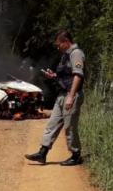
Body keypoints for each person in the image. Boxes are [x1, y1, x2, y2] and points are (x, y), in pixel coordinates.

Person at [25, 30, 85, 166]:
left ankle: (76, 156)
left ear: (66, 42)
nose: (57, 47)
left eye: (59, 45)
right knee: (52, 124)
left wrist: (71, 96)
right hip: (61, 95)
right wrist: (54, 76)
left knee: (70, 127)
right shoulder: (66, 55)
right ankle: (42, 153)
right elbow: (67, 75)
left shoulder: (76, 53)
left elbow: (78, 76)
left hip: (71, 95)